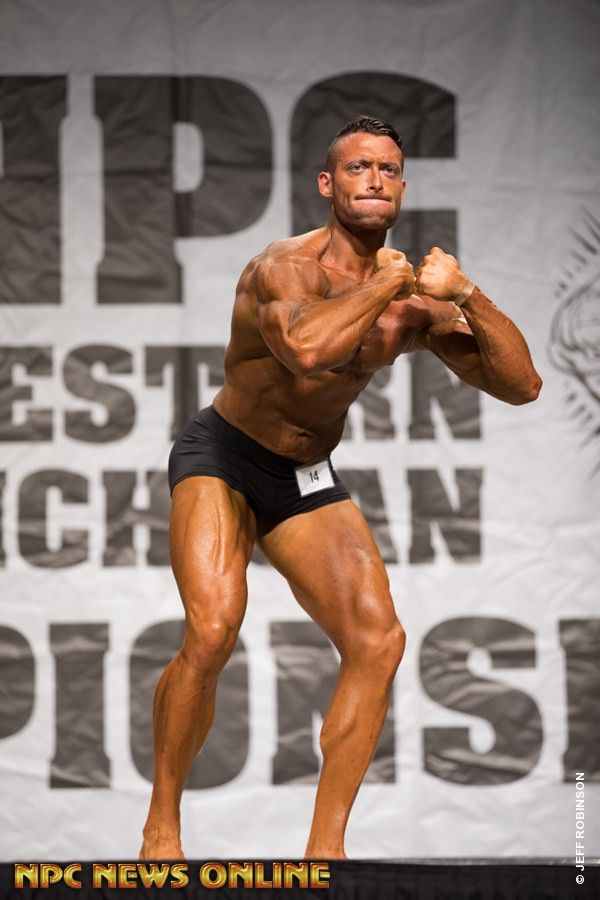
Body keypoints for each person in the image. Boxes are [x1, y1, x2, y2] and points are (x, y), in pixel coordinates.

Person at [140, 115, 542, 860]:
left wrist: (468, 294)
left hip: (304, 474)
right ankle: (162, 821)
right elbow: (304, 349)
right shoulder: (284, 268)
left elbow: (522, 386)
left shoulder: (412, 306)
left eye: (388, 170)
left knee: (378, 641)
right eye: (358, 168)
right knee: (214, 628)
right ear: (328, 184)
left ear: (403, 187)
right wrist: (387, 279)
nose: (374, 181)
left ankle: (325, 853)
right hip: (224, 456)